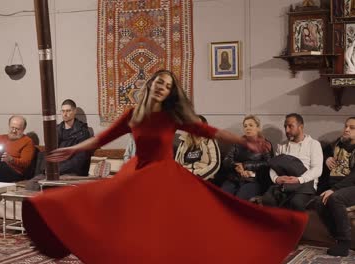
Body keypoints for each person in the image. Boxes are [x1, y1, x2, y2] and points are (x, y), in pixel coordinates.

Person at [22, 70, 307, 264]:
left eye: (168, 85)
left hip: (164, 176)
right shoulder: (134, 114)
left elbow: (210, 131)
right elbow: (102, 138)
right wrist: (73, 147)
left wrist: (247, 140)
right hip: (136, 174)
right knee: (98, 208)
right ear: (151, 84)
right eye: (160, 82)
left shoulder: (172, 115)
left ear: (171, 92)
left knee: (181, 228)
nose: (162, 87)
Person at [309, 117, 355, 256]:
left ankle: (345, 242)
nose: (346, 129)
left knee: (335, 198)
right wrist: (327, 157)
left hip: (351, 185)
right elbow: (323, 152)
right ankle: (337, 237)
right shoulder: (338, 143)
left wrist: (333, 190)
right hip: (336, 185)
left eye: (352, 128)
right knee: (319, 201)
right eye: (346, 126)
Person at [25, 99, 92, 190]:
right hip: (54, 171)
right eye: (63, 111)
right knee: (31, 184)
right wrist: (46, 169)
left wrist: (57, 169)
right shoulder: (56, 130)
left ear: (74, 111)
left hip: (71, 172)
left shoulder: (82, 132)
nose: (65, 114)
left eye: (68, 111)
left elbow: (79, 160)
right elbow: (49, 152)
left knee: (52, 187)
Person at [262, 113, 323, 211]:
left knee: (295, 203)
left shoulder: (313, 144)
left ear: (301, 127)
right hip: (284, 184)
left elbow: (317, 169)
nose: (287, 130)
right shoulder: (281, 146)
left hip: (305, 185)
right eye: (285, 126)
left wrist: (299, 179)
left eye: (290, 126)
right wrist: (276, 178)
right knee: (267, 200)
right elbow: (273, 167)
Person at [221, 115, 273, 200]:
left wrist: (246, 165)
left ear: (258, 128)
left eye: (251, 125)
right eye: (245, 126)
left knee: (239, 200)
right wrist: (237, 166)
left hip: (254, 180)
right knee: (222, 198)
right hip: (235, 178)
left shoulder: (265, 144)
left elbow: (268, 163)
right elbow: (227, 160)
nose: (247, 128)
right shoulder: (237, 142)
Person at [174, 114, 220, 181]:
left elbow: (215, 164)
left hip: (203, 178)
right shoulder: (184, 141)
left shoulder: (209, 140)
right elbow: (176, 164)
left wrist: (199, 177)